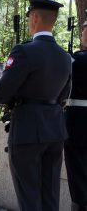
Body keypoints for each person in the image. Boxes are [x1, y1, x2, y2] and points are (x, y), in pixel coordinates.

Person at [0, 0, 71, 211]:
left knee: (29, 199)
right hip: (55, 131)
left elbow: (1, 94)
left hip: (27, 131)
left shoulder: (24, 51)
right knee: (50, 197)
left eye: (29, 17)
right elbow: (64, 95)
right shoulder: (65, 57)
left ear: (34, 17)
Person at [64, 11, 87, 211]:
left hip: (79, 124)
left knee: (78, 175)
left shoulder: (77, 61)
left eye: (85, 29)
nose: (82, 32)